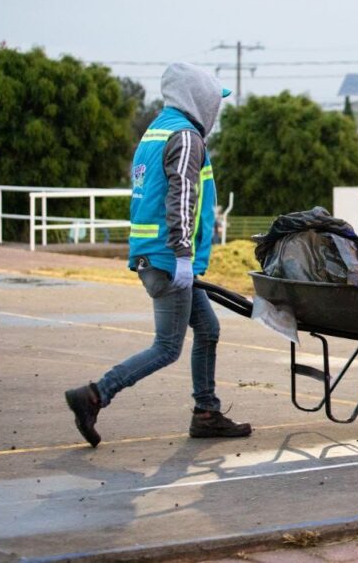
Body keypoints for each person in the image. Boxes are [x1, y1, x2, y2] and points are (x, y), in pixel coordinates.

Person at [65, 63, 251, 447]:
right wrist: (183, 254)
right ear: (199, 97)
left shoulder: (156, 131)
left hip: (158, 255)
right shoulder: (185, 137)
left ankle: (207, 412)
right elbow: (181, 196)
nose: (217, 107)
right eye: (215, 99)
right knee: (167, 347)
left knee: (209, 329)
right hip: (170, 259)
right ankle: (95, 394)